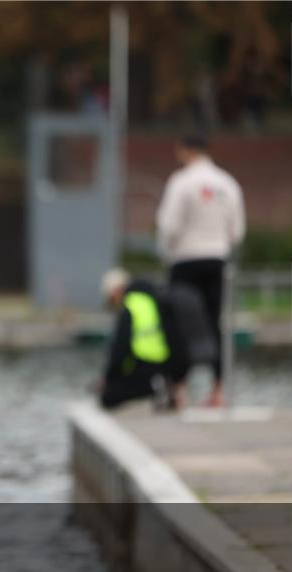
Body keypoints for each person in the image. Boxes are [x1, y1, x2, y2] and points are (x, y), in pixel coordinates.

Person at [156, 133, 245, 407]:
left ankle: (179, 388)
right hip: (216, 260)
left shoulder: (181, 182)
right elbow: (237, 231)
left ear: (185, 151)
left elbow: (168, 225)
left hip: (185, 262)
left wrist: (168, 250)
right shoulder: (228, 183)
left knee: (179, 325)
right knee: (215, 324)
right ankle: (217, 390)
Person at [97, 268, 182, 410]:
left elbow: (119, 349)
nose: (113, 304)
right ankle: (162, 389)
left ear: (117, 290)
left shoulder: (131, 306)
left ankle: (154, 392)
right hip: (166, 369)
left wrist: (108, 378)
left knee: (107, 396)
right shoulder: (153, 299)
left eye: (111, 298)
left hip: (146, 368)